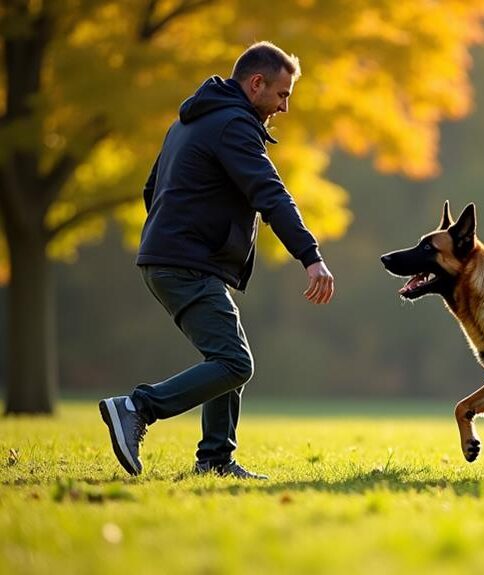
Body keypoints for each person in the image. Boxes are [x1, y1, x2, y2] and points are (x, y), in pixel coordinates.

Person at [99, 41, 334, 480]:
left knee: (224, 355)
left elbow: (152, 190)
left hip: (175, 258)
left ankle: (215, 460)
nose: (285, 107)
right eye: (282, 95)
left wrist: (183, 232)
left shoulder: (190, 122)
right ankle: (136, 407)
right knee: (235, 363)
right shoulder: (233, 126)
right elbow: (270, 194)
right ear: (256, 83)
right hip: (184, 263)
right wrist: (310, 256)